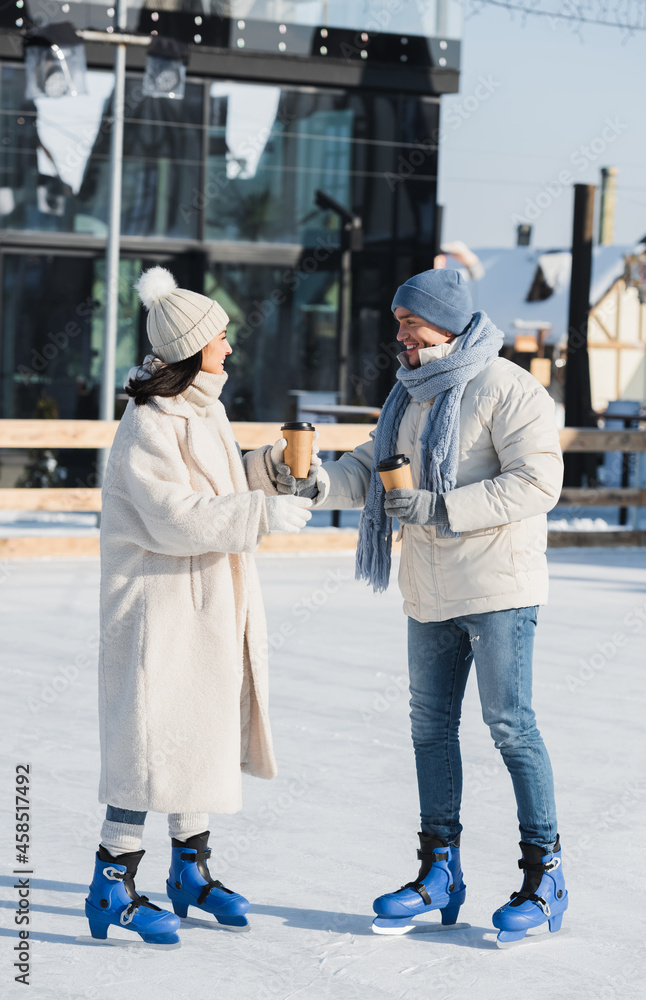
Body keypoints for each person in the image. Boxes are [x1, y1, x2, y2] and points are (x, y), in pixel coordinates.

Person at [271, 268, 567, 946]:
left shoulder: (507, 388)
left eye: (410, 320)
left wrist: (441, 507)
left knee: (510, 724)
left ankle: (543, 876)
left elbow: (537, 481)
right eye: (398, 320)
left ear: (448, 322)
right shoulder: (407, 398)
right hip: (429, 590)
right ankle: (439, 872)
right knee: (429, 729)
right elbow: (367, 468)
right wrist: (315, 483)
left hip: (498, 589)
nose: (398, 332)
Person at [85, 267, 316, 945]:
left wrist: (266, 469)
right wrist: (261, 514)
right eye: (220, 337)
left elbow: (215, 482)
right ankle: (112, 881)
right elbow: (173, 513)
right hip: (157, 607)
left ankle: (190, 871)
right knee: (150, 738)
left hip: (206, 600)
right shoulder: (149, 419)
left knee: (198, 732)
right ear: (191, 346)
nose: (230, 348)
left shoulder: (203, 408)